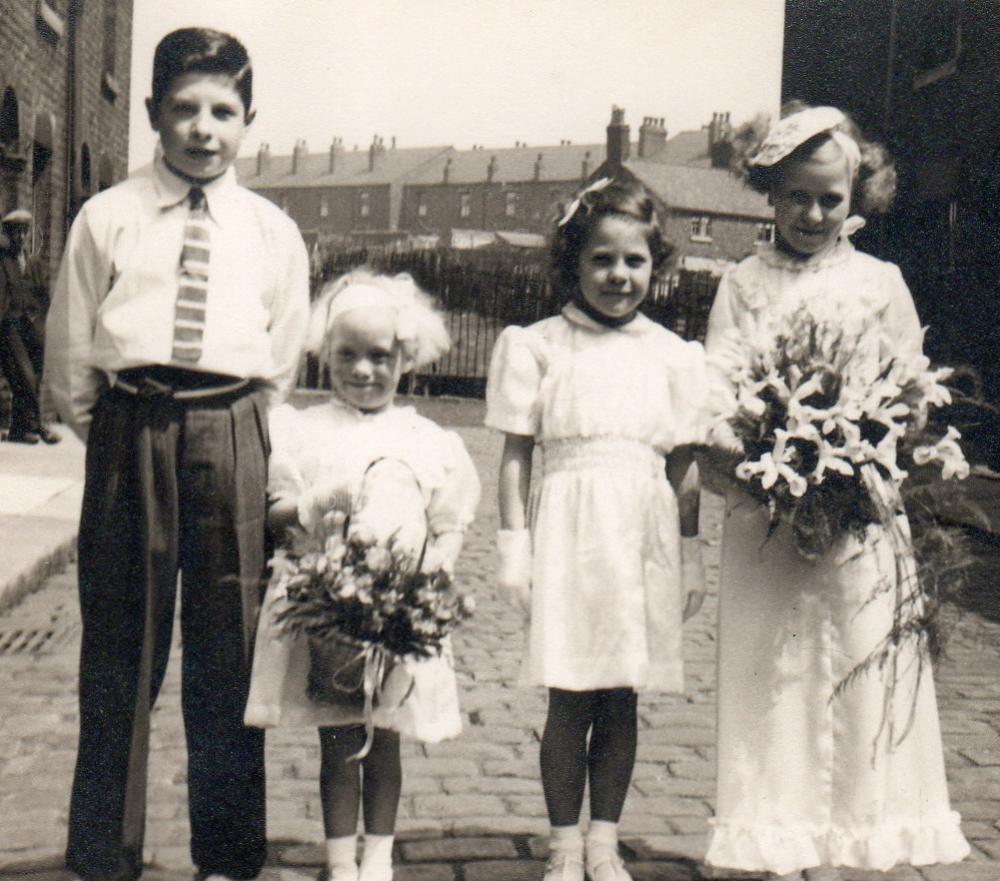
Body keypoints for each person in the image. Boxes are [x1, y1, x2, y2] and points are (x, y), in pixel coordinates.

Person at [44, 27, 310, 881]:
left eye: (223, 111)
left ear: (248, 120)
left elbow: (281, 359)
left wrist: (237, 436)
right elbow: (73, 355)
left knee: (229, 647)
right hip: (134, 427)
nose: (204, 128)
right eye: (186, 109)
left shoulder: (271, 231)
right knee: (120, 649)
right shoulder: (107, 217)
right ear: (154, 113)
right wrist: (121, 434)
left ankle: (227, 855)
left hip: (230, 427)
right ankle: (104, 853)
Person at [702, 104, 971, 881]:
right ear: (769, 194)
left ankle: (851, 842)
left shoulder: (879, 282)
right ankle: (778, 839)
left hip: (860, 513)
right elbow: (719, 386)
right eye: (796, 197)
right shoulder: (742, 283)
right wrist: (760, 447)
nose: (814, 214)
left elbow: (912, 390)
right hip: (771, 510)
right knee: (775, 672)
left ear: (860, 195)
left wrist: (863, 451)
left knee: (861, 666)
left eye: (831, 198)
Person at [485, 177, 707, 881]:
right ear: (573, 263)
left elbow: (685, 467)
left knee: (621, 695)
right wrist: (513, 548)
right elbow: (517, 453)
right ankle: (563, 845)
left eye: (635, 261)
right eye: (602, 259)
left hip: (640, 539)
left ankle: (605, 840)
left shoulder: (675, 355)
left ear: (656, 265)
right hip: (569, 536)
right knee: (569, 694)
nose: (619, 275)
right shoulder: (538, 345)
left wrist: (691, 555)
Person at [244, 269, 480, 881]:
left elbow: (449, 519)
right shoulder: (301, 429)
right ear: (324, 355)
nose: (364, 370)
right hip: (330, 608)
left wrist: (434, 574)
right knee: (339, 738)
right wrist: (316, 504)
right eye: (347, 355)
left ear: (407, 358)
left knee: (388, 736)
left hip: (399, 610)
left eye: (380, 357)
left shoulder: (427, 440)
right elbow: (275, 514)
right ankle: (339, 859)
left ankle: (378, 854)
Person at [0, 208, 59, 444]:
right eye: (16, 232)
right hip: (8, 325)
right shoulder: (2, 261)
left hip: (32, 326)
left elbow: (44, 297)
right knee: (24, 375)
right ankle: (40, 424)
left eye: (24, 232)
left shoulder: (34, 264)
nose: (21, 237)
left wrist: (44, 325)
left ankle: (19, 429)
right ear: (7, 234)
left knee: (33, 373)